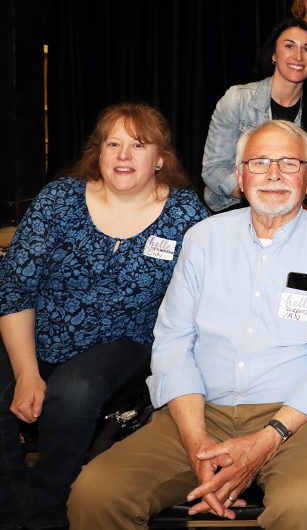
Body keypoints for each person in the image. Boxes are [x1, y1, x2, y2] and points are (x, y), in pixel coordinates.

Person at [68, 120, 307, 529]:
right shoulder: (203, 239)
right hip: (197, 411)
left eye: (289, 163)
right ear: (241, 177)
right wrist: (197, 446)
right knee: (97, 492)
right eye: (260, 162)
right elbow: (173, 340)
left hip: (297, 420)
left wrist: (265, 442)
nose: (274, 175)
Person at [0, 104, 208, 530]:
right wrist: (25, 373)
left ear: (161, 159)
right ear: (98, 153)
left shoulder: (185, 215)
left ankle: (46, 511)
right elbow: (15, 288)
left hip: (125, 344)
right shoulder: (60, 199)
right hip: (37, 334)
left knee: (73, 391)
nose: (123, 155)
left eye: (138, 144)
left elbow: (206, 294)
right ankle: (17, 509)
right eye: (113, 143)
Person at [202, 17, 307, 212]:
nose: (298, 56)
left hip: (292, 210)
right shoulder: (236, 99)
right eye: (289, 46)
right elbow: (214, 169)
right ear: (273, 54)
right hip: (236, 205)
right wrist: (262, 197)